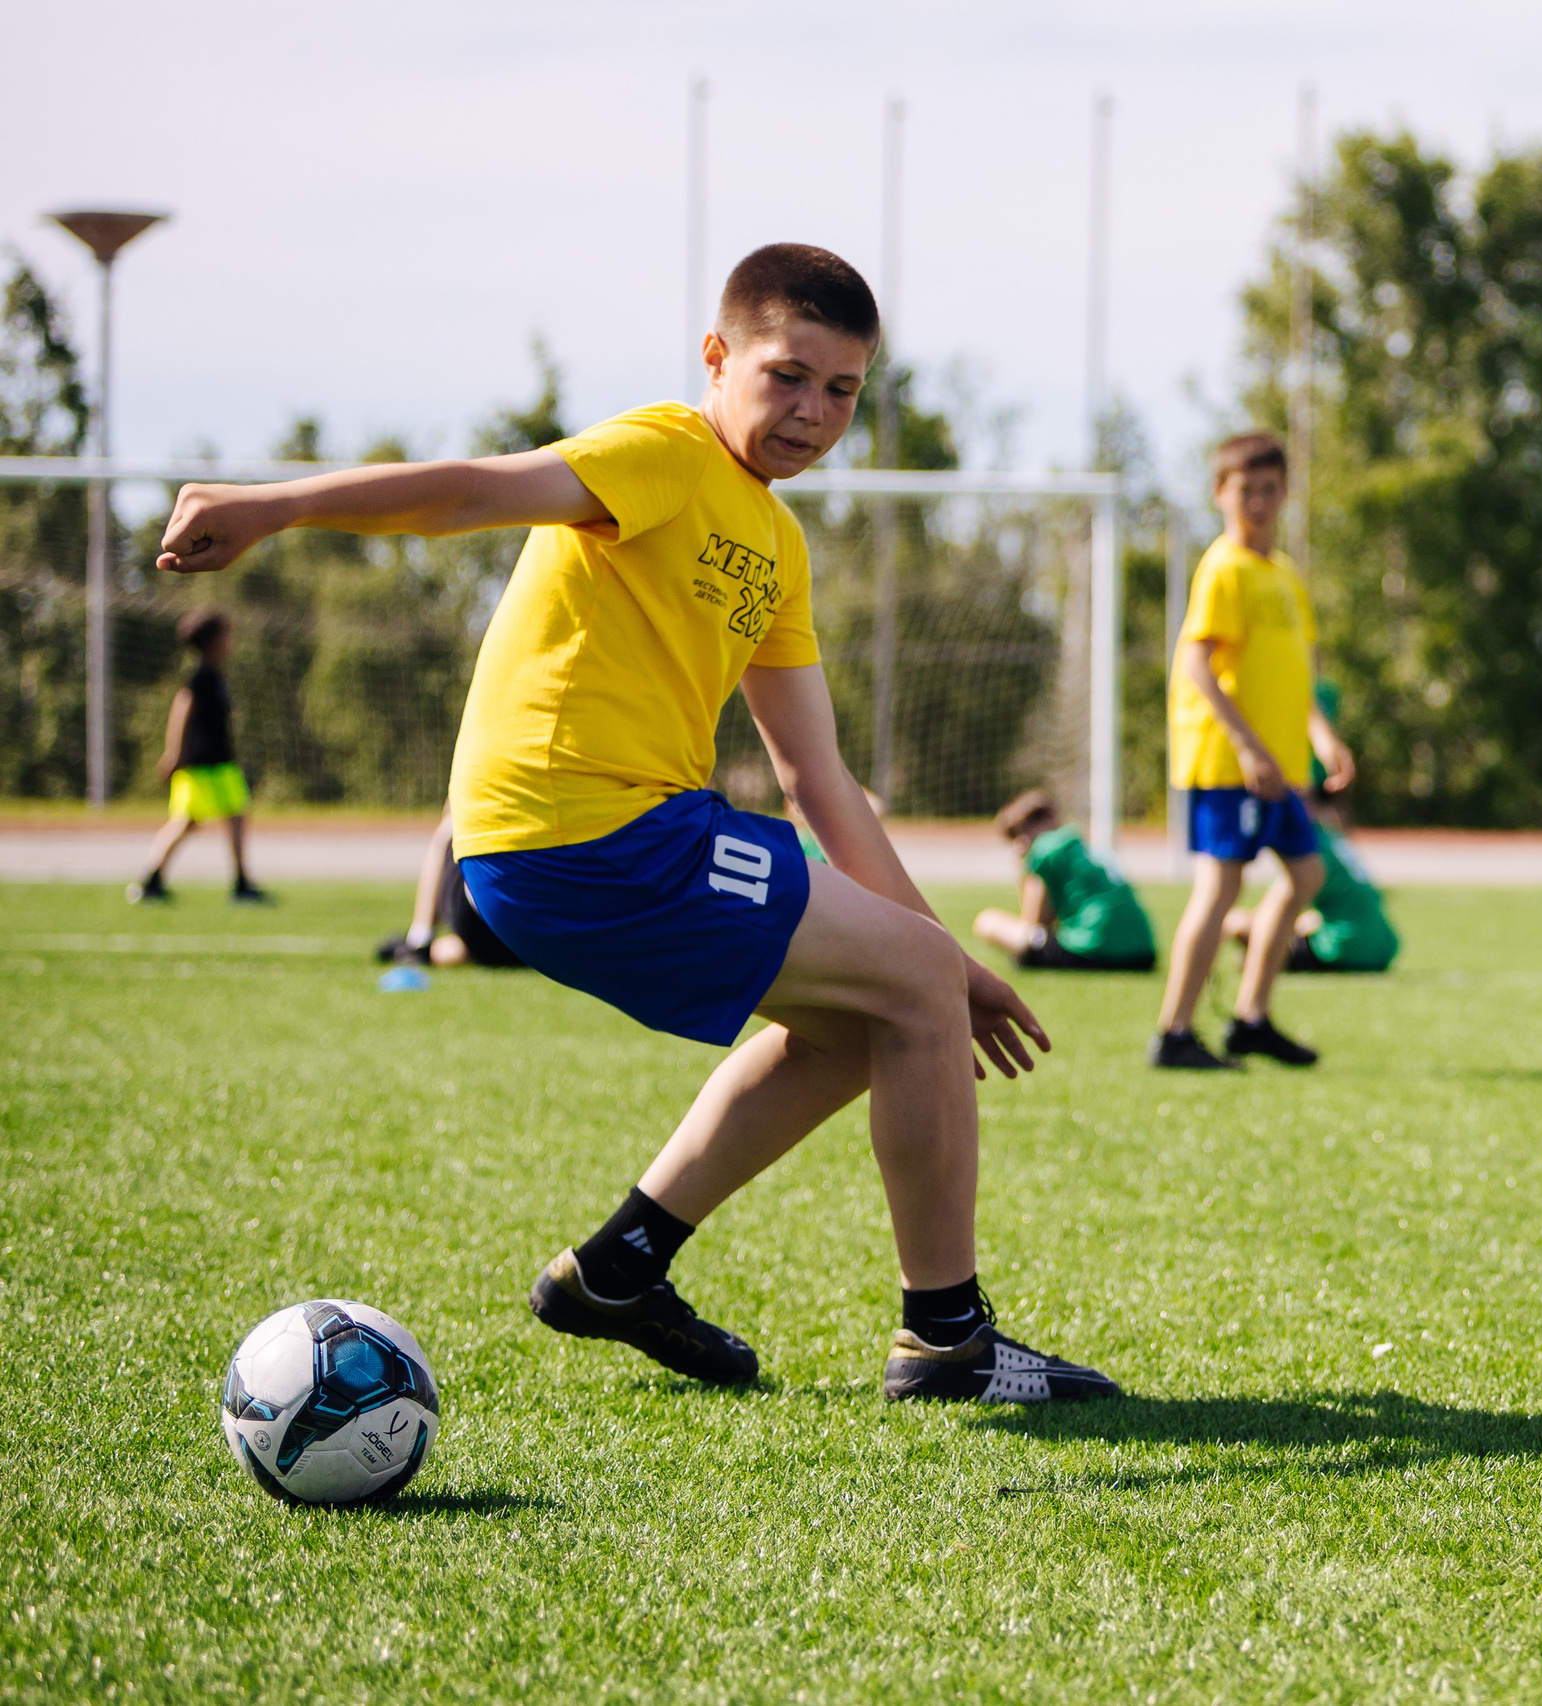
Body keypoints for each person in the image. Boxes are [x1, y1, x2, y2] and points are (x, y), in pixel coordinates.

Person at [156, 243, 1116, 1404]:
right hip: (583, 828)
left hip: (613, 839)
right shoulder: (664, 450)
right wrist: (274, 506)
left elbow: (817, 776)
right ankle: (947, 1340)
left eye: (842, 389)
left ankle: (620, 1267)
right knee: (910, 980)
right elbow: (472, 493)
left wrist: (942, 958)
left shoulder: (776, 543)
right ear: (716, 357)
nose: (813, 411)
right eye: (787, 375)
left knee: (872, 1016)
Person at [1150, 432, 1355, 1070]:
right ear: (1220, 493)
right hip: (1230, 763)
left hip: (1280, 766)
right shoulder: (1224, 568)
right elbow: (1198, 665)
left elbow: (1296, 673)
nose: (1259, 503)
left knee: (1307, 875)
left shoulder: (1283, 574)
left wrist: (1322, 736)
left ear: (1286, 493)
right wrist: (1247, 746)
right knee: (1222, 885)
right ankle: (1174, 1033)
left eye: (1270, 489)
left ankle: (1250, 1019)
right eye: (1246, 490)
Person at [129, 609, 269, 905]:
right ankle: (153, 879)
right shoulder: (202, 676)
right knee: (188, 821)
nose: (231, 641)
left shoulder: (215, 675)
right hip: (203, 763)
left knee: (232, 815)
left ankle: (240, 882)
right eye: (226, 635)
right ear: (213, 641)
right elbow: (182, 710)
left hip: (220, 762)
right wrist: (173, 755)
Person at [973, 789, 1157, 972]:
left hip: (1092, 950)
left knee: (987, 922)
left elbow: (1033, 925)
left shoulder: (1043, 849)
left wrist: (1023, 867)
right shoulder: (1080, 842)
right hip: (1142, 955)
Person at [1222, 802, 1399, 974]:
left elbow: (1269, 915)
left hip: (1342, 949)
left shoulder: (1307, 848)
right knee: (1301, 921)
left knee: (1234, 921)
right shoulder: (1333, 839)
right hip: (1382, 949)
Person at [376, 804, 524, 969]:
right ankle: (425, 947)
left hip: (483, 925)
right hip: (537, 930)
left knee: (452, 821)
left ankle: (420, 939)